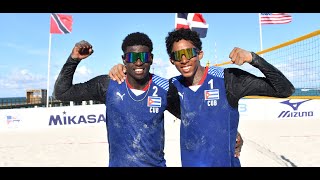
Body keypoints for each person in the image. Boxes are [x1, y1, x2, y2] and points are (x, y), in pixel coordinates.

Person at [108, 28, 295, 167]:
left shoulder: (227, 79)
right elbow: (193, 116)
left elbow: (285, 89)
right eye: (177, 55)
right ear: (171, 60)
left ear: (200, 54)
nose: (184, 59)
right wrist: (122, 69)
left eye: (189, 53)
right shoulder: (172, 86)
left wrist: (253, 58)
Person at [54, 32, 243, 167]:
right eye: (132, 57)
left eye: (143, 56)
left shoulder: (164, 88)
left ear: (151, 59)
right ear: (124, 59)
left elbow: (193, 115)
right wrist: (74, 59)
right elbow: (63, 93)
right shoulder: (108, 84)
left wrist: (232, 132)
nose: (138, 62)